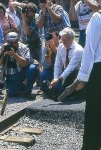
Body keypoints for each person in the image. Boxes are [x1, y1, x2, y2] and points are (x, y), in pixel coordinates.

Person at [76, 8, 101, 150]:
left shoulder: (97, 18)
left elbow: (90, 49)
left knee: (94, 111)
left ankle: (91, 146)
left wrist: (83, 77)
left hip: (98, 70)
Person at [0, 32, 38, 99]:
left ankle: (28, 90)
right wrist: (2, 52)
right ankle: (21, 87)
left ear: (18, 40)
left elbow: (25, 64)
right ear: (7, 41)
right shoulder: (4, 47)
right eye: (10, 43)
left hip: (23, 71)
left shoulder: (24, 47)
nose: (12, 44)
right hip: (12, 74)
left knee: (32, 69)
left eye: (14, 42)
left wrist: (14, 54)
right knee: (12, 94)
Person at [49, 27, 83, 100]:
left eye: (64, 40)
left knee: (62, 92)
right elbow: (58, 64)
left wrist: (58, 80)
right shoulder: (61, 47)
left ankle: (75, 93)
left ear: (71, 38)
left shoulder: (78, 50)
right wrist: (55, 78)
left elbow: (70, 68)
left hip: (76, 73)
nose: (62, 41)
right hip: (65, 73)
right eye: (61, 39)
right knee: (52, 89)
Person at [40, 29, 59, 95]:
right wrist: (49, 50)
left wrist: (54, 48)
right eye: (49, 37)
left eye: (52, 37)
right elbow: (46, 65)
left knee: (58, 88)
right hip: (51, 70)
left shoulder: (63, 45)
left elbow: (62, 61)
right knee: (44, 74)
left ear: (58, 37)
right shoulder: (46, 48)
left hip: (61, 70)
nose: (50, 39)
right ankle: (45, 90)